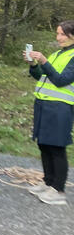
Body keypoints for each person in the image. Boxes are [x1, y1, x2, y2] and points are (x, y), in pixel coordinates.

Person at [25, 20, 74, 205]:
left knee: (57, 147)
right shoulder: (58, 54)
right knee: (44, 144)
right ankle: (48, 182)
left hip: (60, 107)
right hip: (44, 104)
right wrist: (33, 65)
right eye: (57, 33)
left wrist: (44, 61)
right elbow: (42, 77)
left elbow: (61, 80)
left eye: (62, 34)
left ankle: (59, 190)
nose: (58, 37)